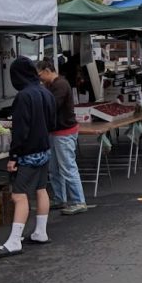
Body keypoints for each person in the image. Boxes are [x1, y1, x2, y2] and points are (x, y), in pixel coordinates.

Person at [0, 57, 55, 258]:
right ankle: (40, 232)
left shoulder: (24, 96)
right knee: (41, 189)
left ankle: (15, 240)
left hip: (28, 153)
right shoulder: (46, 92)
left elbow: (20, 130)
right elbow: (52, 122)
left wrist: (13, 156)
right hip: (44, 149)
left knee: (19, 195)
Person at [36, 60, 87, 215]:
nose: (40, 79)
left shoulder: (60, 85)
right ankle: (60, 198)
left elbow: (51, 106)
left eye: (40, 75)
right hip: (55, 132)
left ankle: (79, 201)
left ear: (46, 70)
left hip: (64, 132)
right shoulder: (51, 85)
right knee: (54, 169)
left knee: (67, 167)